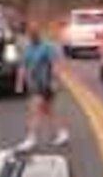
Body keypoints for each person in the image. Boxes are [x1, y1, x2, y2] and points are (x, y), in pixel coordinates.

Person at [15, 23, 69, 152]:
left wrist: (55, 81)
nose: (33, 36)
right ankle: (62, 133)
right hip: (34, 85)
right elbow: (22, 66)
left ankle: (31, 139)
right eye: (31, 34)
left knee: (35, 110)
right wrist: (19, 83)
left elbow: (55, 65)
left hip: (45, 84)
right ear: (28, 35)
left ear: (39, 34)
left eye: (35, 33)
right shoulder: (28, 49)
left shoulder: (47, 47)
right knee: (48, 110)